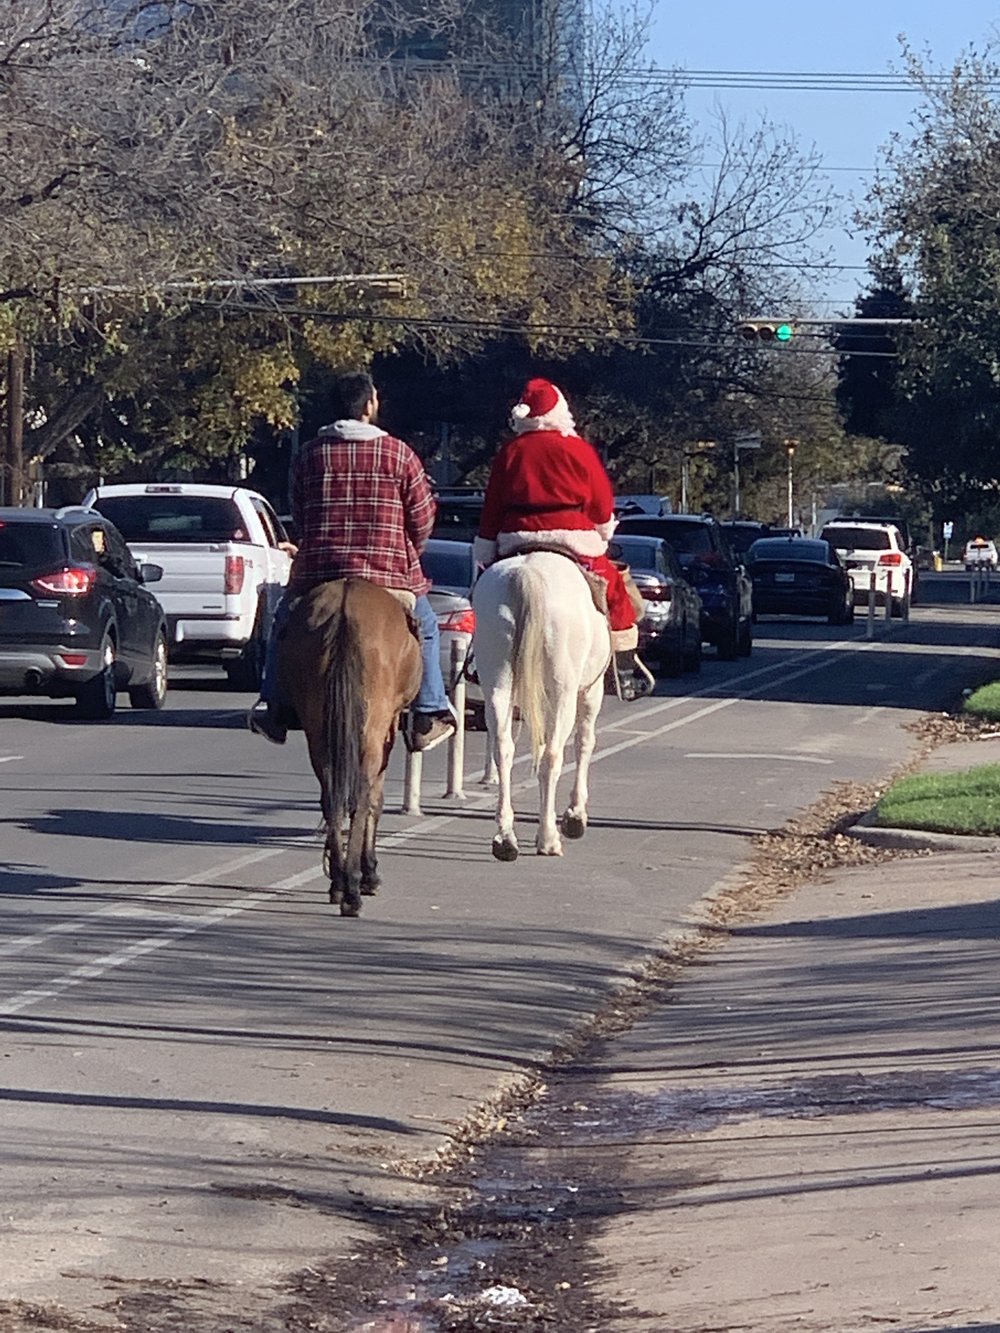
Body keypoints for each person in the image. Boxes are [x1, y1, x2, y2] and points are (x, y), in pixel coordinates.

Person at [248, 370, 457, 750]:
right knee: (425, 623)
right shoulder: (399, 454)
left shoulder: (309, 454)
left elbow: (300, 511)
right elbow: (423, 518)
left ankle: (273, 703)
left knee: (284, 621)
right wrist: (411, 550)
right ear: (369, 406)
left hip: (319, 572)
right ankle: (429, 709)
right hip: (388, 573)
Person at [474, 376, 653, 703]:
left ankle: (479, 654)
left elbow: (493, 505)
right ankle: (624, 669)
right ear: (559, 410)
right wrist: (602, 529)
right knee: (614, 590)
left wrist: (486, 545)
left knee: (484, 591)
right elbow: (601, 502)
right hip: (572, 536)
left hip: (516, 537)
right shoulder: (577, 448)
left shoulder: (509, 452)